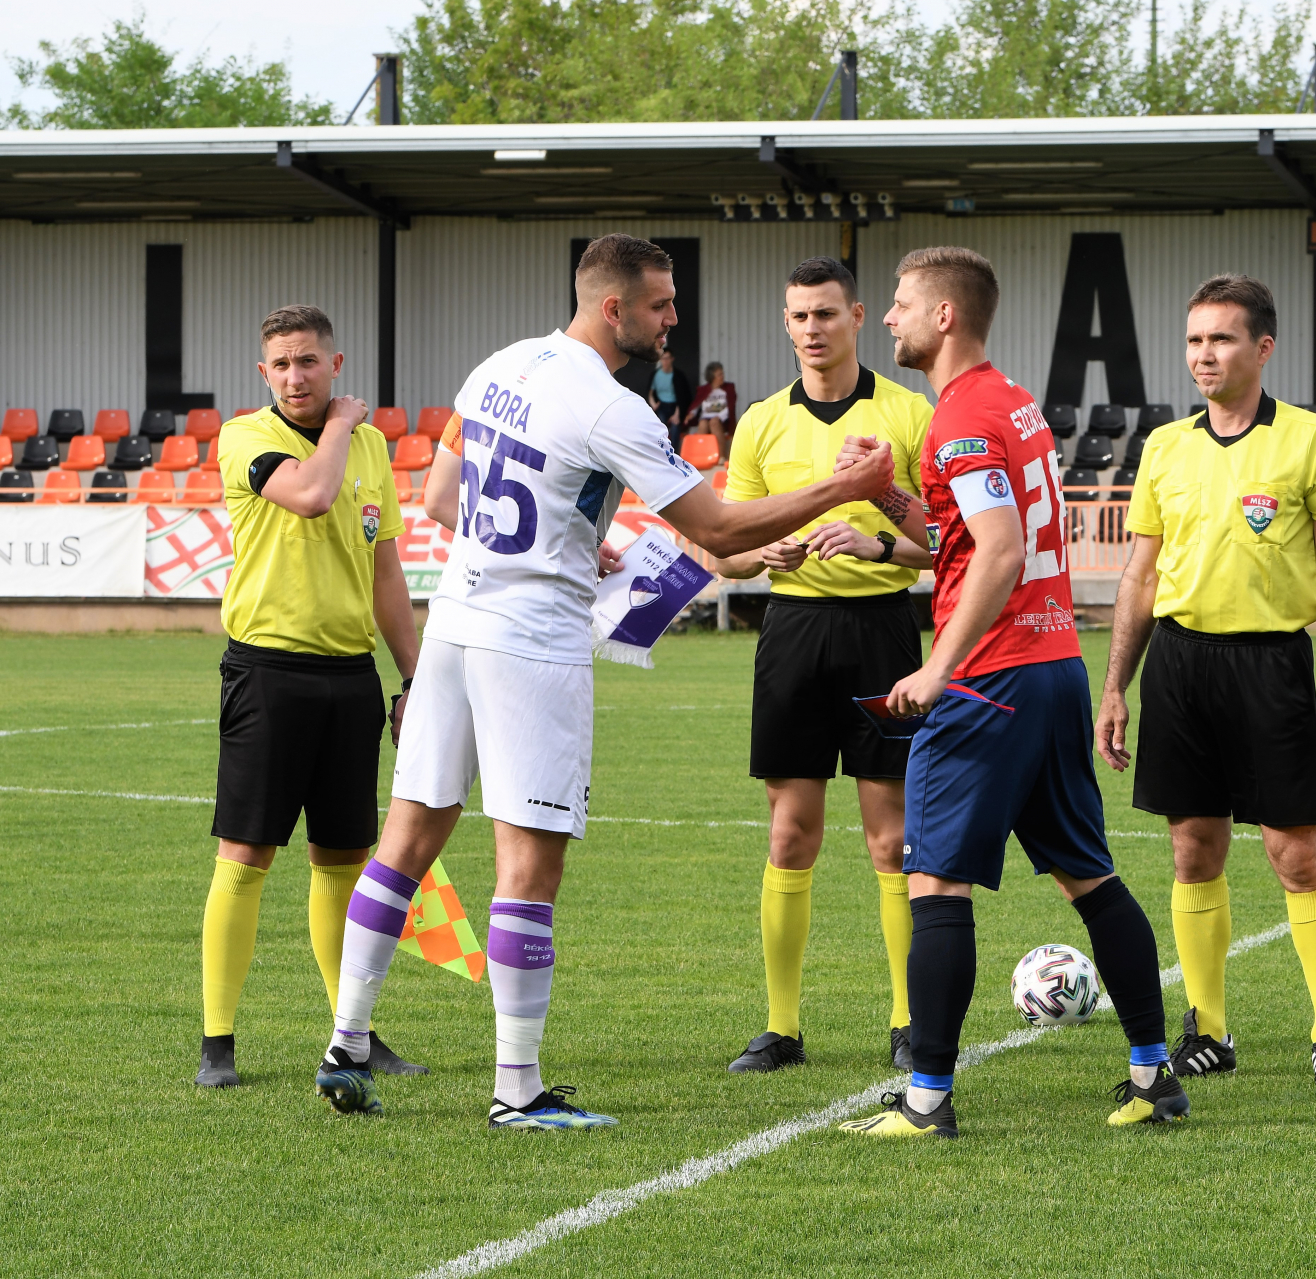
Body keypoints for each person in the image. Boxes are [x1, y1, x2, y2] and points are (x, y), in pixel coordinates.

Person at [310, 234, 896, 1129]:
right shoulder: (613, 407)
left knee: (406, 840)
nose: (672, 320)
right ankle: (517, 1090)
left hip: (454, 625)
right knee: (528, 866)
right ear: (614, 307)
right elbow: (721, 530)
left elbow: (439, 500)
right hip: (531, 648)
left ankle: (345, 1043)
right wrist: (844, 485)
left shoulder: (499, 364)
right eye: (661, 304)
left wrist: (581, 541)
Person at [838, 247, 1187, 1139]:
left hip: (990, 680)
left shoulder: (960, 418)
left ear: (944, 316)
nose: (888, 318)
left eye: (901, 302)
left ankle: (926, 1100)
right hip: (1054, 666)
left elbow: (998, 550)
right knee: (1090, 876)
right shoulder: (1010, 402)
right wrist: (886, 497)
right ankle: (1153, 1075)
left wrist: (938, 667)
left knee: (934, 880)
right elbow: (960, 538)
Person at [1093, 274, 1316, 1087]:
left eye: (1221, 338)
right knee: (1192, 848)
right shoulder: (1164, 447)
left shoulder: (1312, 439)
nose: (1203, 354)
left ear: (1262, 347)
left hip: (1272, 664)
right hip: (1180, 664)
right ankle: (1207, 1029)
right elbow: (1141, 576)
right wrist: (1115, 686)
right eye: (1194, 339)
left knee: (1297, 853)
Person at [713, 256, 935, 1075]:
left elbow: (948, 543)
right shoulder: (761, 422)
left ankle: (908, 1020)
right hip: (794, 631)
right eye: (800, 316)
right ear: (786, 323)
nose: (813, 329)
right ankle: (781, 1027)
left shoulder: (908, 412)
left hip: (883, 631)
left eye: (827, 314)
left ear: (857, 316)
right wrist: (760, 552)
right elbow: (725, 551)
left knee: (893, 834)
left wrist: (878, 544)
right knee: (789, 830)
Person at [196, 304, 426, 1088]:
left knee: (345, 861)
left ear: (336, 364)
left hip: (349, 677)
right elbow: (313, 495)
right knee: (246, 856)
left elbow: (385, 572)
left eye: (308, 361)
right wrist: (343, 424)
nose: (295, 376)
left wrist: (415, 677)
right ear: (264, 373)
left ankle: (352, 1034)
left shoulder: (370, 447)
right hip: (267, 673)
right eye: (282, 364)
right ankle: (217, 1043)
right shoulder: (245, 437)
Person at [650, 348, 693, 452]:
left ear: (672, 359)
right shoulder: (656, 374)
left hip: (675, 406)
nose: (665, 361)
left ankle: (674, 452)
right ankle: (661, 452)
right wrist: (653, 404)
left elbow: (682, 397)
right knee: (660, 427)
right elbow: (650, 392)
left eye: (667, 358)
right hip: (661, 405)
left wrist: (677, 413)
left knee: (675, 427)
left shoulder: (678, 375)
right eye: (663, 359)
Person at [695, 361, 736, 457]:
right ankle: (702, 455)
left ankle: (721, 456)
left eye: (722, 373)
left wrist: (719, 416)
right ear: (712, 377)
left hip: (723, 419)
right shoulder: (704, 389)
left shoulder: (728, 388)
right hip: (706, 416)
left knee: (714, 423)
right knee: (702, 424)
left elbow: (730, 407)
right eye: (719, 375)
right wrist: (691, 414)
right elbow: (696, 404)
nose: (722, 376)